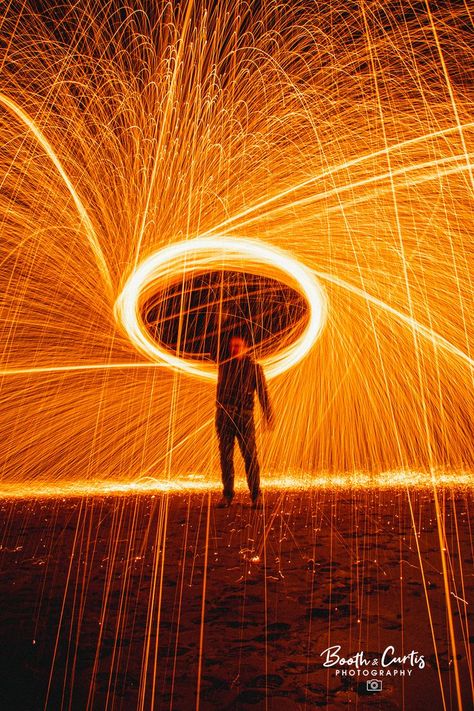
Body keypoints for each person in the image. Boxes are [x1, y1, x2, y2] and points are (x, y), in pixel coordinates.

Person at [215, 333, 274, 508]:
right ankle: (227, 496)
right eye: (232, 346)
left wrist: (268, 414)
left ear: (246, 348)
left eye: (238, 346)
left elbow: (263, 393)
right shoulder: (223, 365)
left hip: (244, 415)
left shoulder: (255, 368)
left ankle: (256, 495)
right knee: (226, 457)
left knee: (250, 456)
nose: (234, 349)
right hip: (224, 414)